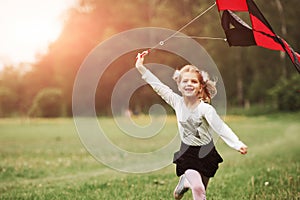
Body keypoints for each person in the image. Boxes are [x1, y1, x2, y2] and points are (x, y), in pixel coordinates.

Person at [135, 51, 248, 200]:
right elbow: (157, 86)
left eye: (194, 81)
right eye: (185, 81)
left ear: (200, 87)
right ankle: (188, 180)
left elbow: (220, 127)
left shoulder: (205, 109)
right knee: (198, 187)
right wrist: (140, 67)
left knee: (202, 190)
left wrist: (236, 143)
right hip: (188, 152)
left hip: (207, 152)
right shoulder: (176, 102)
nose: (189, 84)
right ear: (179, 85)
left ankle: (184, 183)